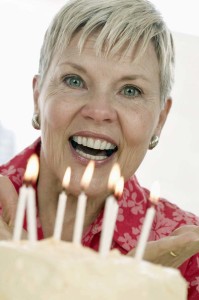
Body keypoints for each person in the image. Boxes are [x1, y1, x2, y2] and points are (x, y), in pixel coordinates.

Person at [0, 0, 199, 298]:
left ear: (160, 119)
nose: (99, 111)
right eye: (74, 80)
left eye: (130, 90)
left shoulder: (187, 255)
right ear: (38, 96)